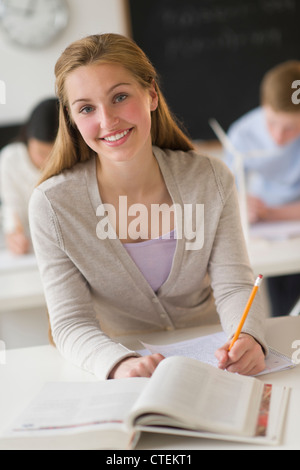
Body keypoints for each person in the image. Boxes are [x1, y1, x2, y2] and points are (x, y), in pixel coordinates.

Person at [29, 33, 266, 380]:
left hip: (216, 365)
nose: (107, 121)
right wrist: (120, 364)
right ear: (73, 119)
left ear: (151, 94)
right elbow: (70, 322)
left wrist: (246, 338)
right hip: (123, 373)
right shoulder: (52, 205)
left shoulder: (210, 178)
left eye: (120, 97)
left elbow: (234, 285)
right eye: (86, 108)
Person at [225, 61, 300, 317]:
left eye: (291, 128)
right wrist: (242, 204)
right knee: (284, 303)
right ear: (263, 107)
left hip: (277, 217)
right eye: (272, 123)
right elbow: (227, 196)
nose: (279, 137)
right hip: (269, 226)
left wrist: (270, 213)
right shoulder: (242, 134)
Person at [0, 98, 59, 255]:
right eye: (40, 153)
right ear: (28, 138)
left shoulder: (73, 161)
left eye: (54, 154)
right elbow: (12, 206)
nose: (47, 162)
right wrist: (14, 233)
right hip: (33, 250)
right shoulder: (11, 158)